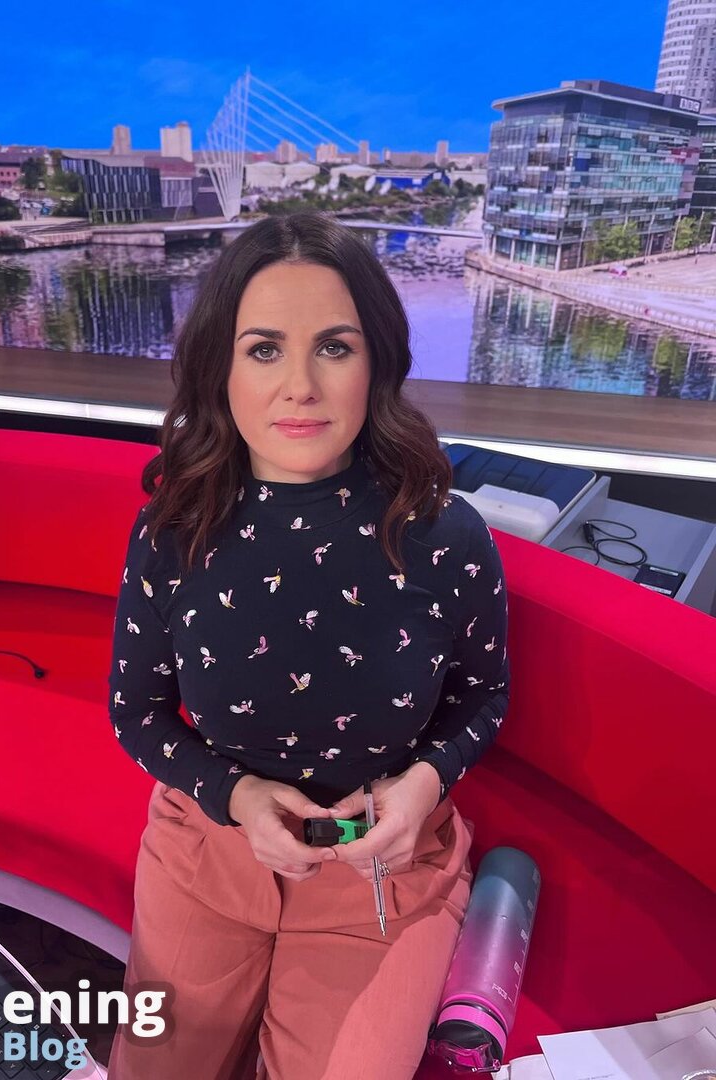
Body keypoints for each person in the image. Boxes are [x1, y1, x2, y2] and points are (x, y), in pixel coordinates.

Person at [106, 211, 510, 1080]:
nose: (300, 387)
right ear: (220, 367)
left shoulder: (447, 535)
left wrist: (424, 785)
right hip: (208, 851)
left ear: (377, 363)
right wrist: (237, 796)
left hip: (383, 870)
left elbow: (484, 696)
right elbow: (135, 711)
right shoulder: (171, 530)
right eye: (263, 349)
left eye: (333, 346)